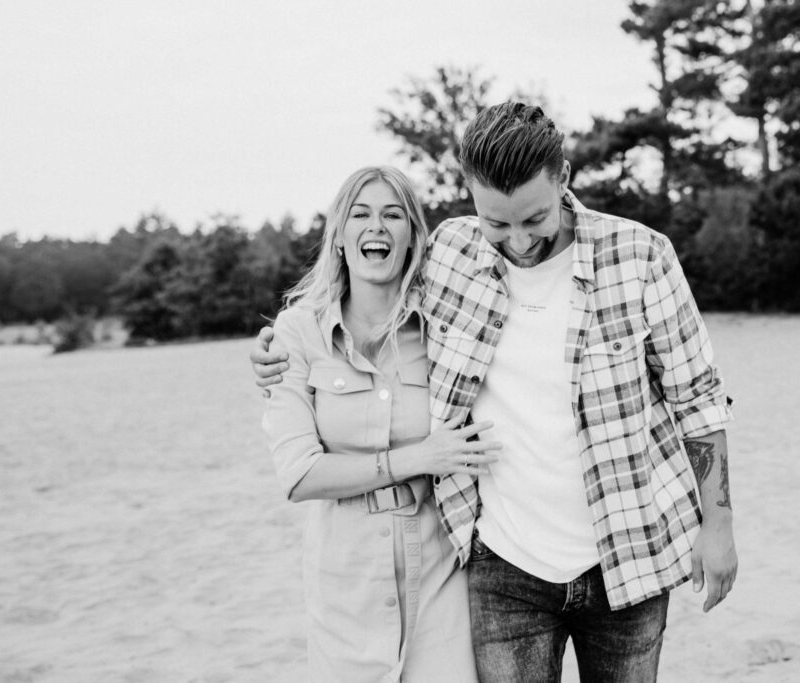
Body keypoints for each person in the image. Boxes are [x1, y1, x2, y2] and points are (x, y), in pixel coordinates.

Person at [254, 104, 737, 682]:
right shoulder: (451, 253)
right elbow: (366, 289)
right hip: (503, 566)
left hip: (632, 553)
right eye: (497, 223)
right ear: (470, 195)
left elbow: (698, 400)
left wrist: (719, 526)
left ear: (562, 177)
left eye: (534, 218)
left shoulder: (641, 256)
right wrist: (280, 344)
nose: (519, 241)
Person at [261, 165, 497, 682]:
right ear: (339, 236)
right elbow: (299, 475)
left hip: (440, 570)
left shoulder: (445, 330)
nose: (377, 227)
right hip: (343, 579)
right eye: (360, 214)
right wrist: (417, 458)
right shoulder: (296, 333)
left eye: (393, 215)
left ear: (413, 237)